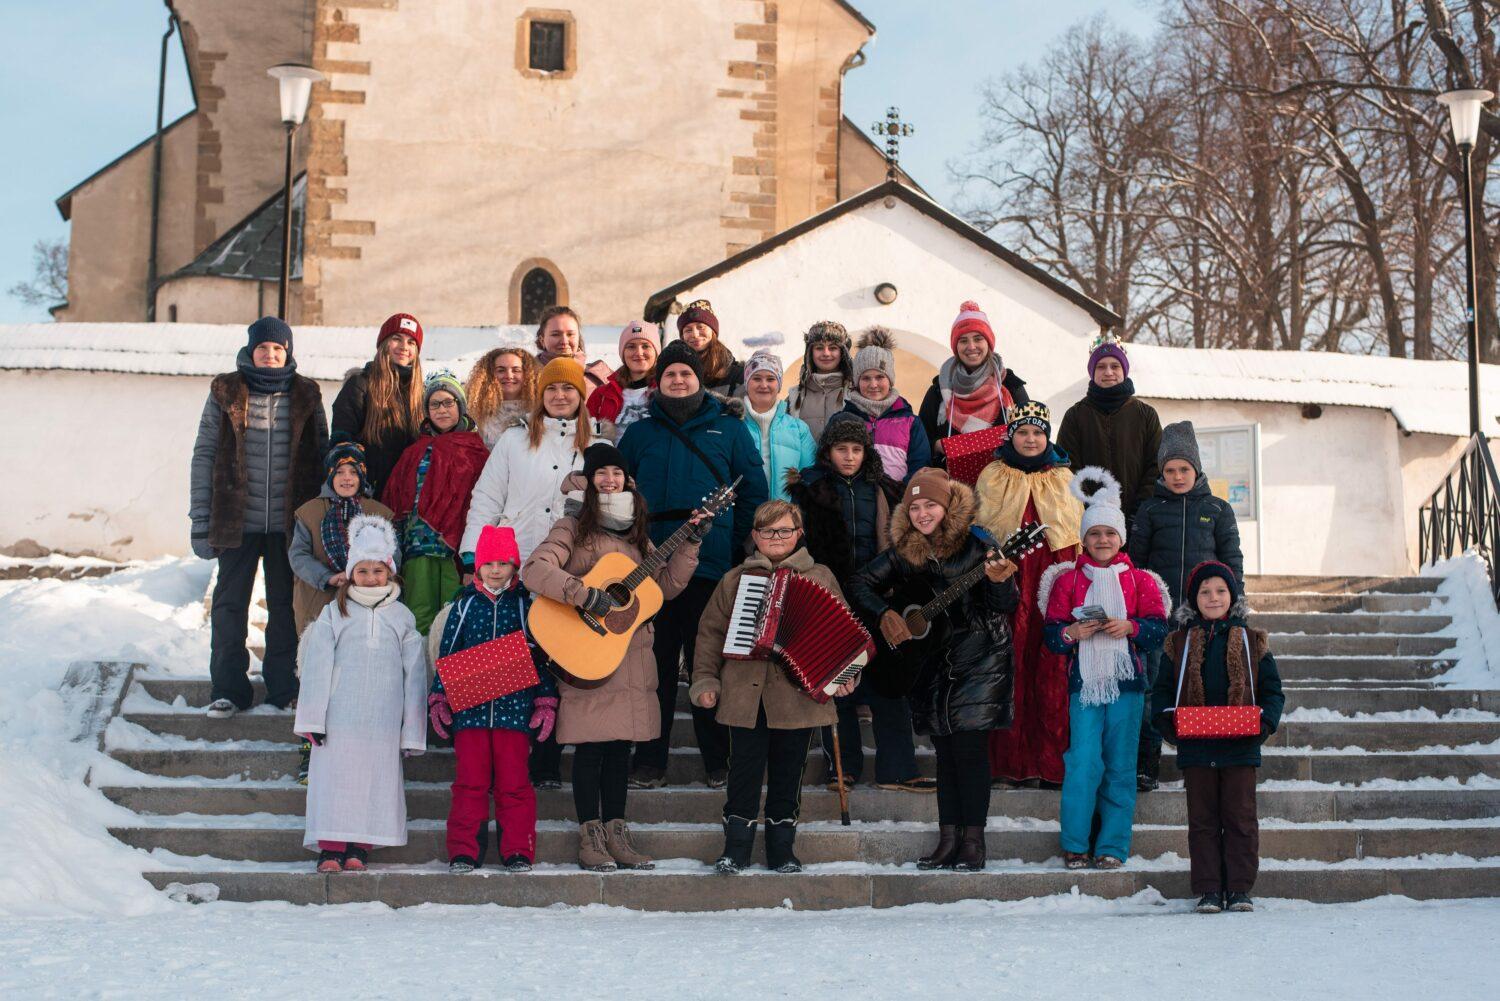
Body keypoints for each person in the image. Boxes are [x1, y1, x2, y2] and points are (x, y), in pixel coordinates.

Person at [523, 443, 706, 871]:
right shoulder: (573, 526)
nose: (610, 480)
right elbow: (535, 569)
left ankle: (617, 834)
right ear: (588, 480)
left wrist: (690, 544)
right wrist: (587, 595)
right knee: (590, 750)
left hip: (629, 654)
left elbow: (663, 588)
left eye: (617, 474)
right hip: (587, 652)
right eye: (601, 473)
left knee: (619, 751)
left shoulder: (637, 533)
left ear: (627, 481)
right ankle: (591, 836)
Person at [618, 339, 770, 789]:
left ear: (699, 380)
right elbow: (620, 494)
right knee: (654, 666)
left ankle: (717, 759)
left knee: (708, 663)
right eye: (670, 375)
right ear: (658, 382)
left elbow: (754, 493)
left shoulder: (729, 428)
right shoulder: (640, 433)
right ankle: (650, 758)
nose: (679, 380)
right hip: (649, 568)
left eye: (686, 374)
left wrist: (736, 548)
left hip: (709, 566)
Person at [848, 469, 1018, 871]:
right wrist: (886, 612)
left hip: (979, 658)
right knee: (944, 753)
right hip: (931, 662)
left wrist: (997, 581)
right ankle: (947, 839)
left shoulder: (978, 543)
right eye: (916, 506)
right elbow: (859, 583)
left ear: (948, 506)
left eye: (931, 505)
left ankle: (973, 841)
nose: (923, 513)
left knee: (969, 751)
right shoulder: (905, 549)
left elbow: (1003, 604)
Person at [463, 356, 612, 787]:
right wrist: (474, 555)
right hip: (513, 561)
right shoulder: (515, 441)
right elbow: (487, 499)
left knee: (555, 662)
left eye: (568, 390)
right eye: (551, 390)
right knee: (506, 656)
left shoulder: (595, 444)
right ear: (540, 395)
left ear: (580, 397)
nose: (560, 396)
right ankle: (496, 753)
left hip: (571, 570)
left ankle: (545, 760)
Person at [691, 500, 858, 874]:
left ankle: (782, 848)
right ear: (755, 537)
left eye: (784, 530)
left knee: (789, 771)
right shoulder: (735, 579)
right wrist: (705, 679)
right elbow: (709, 634)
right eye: (767, 531)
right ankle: (736, 848)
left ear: (799, 534)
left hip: (797, 698)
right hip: (744, 693)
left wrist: (844, 676)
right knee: (744, 770)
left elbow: (842, 634)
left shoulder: (820, 576)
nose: (776, 538)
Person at [785, 413, 931, 795]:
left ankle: (897, 767)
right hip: (830, 596)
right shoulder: (810, 490)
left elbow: (902, 542)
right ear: (827, 451)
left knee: (889, 681)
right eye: (840, 449)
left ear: (866, 452)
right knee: (837, 681)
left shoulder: (886, 489)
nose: (849, 457)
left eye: (855, 449)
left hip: (879, 595)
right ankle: (842, 765)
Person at [190, 316, 327, 719]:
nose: (270, 354)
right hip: (236, 522)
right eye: (264, 348)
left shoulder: (307, 395)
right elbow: (204, 455)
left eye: (278, 348)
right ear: (251, 351)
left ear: (288, 352)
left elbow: (323, 457)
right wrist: (201, 518)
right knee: (230, 606)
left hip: (289, 524)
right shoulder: (225, 391)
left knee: (285, 607)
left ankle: (284, 687)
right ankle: (229, 689)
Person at [1040, 467, 1170, 870]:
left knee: (1120, 763)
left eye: (1110, 533)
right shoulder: (1067, 580)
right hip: (1085, 684)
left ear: (1121, 538)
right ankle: (1076, 843)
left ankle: (1112, 845)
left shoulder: (1140, 581)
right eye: (1094, 533)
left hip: (1128, 684)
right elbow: (1051, 636)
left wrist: (1130, 627)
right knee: (1082, 761)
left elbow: (1157, 628)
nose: (1102, 540)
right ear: (1084, 537)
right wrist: (1073, 632)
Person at [293, 514, 426, 873]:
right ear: (351, 573)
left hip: (382, 718)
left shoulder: (401, 617)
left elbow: (414, 676)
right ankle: (331, 846)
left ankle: (360, 845)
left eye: (377, 571)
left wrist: (411, 731)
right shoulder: (334, 613)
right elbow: (317, 666)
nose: (370, 578)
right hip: (340, 715)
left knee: (373, 779)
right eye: (363, 571)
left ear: (390, 573)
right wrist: (311, 719)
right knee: (336, 778)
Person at [427, 525, 558, 874]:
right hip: (470, 713)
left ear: (515, 566)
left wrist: (545, 699)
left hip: (514, 712)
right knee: (470, 783)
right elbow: (448, 652)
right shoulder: (464, 606)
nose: (496, 570)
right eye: (489, 563)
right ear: (478, 566)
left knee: (514, 784)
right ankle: (464, 851)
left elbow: (541, 657)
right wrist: (439, 695)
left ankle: (517, 850)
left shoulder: (526, 608)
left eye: (503, 563)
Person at [1153, 561, 1283, 914]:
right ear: (1194, 600)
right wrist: (1168, 726)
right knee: (1203, 821)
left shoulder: (1252, 641)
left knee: (1240, 818)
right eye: (1205, 592)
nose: (1213, 598)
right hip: (1197, 747)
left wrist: (1265, 724)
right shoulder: (1177, 643)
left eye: (1221, 591)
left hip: (1240, 746)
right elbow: (1162, 691)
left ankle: (1239, 888)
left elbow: (1273, 690)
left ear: (1233, 596)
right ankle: (1209, 888)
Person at [1129, 420, 1244, 791]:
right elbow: (1136, 563)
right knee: (1152, 689)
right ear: (1161, 472)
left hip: (1203, 614)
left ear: (1196, 469)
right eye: (1170, 470)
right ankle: (1147, 762)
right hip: (1158, 617)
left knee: (1202, 685)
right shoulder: (1149, 510)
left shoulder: (1217, 508)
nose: (1178, 477)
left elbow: (1231, 560)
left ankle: (1199, 759)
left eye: (1184, 469)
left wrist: (1234, 607)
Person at [974, 402, 1082, 789]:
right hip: (1010, 585)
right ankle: (1007, 763)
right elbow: (983, 527)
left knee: (1052, 671)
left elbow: (1075, 535)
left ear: (1047, 436)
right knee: (1010, 666)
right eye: (1023, 432)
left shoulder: (1065, 477)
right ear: (1012, 436)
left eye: (1038, 432)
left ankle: (1050, 764)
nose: (1031, 439)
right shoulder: (993, 474)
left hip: (1054, 585)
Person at [380, 372, 490, 635]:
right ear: (427, 411)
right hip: (419, 548)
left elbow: (486, 501)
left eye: (448, 402)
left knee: (456, 616)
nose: (442, 410)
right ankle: (423, 676)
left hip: (458, 551)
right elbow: (395, 500)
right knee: (419, 618)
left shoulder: (477, 451)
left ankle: (451, 676)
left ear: (460, 406)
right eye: (434, 404)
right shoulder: (413, 452)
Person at [289, 440, 397, 638]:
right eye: (339, 472)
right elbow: (298, 556)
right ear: (330, 475)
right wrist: (327, 577)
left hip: (368, 598)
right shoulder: (309, 512)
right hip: (318, 599)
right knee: (318, 655)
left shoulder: (379, 514)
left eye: (353, 472)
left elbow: (393, 556)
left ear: (362, 475)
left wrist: (367, 576)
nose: (346, 478)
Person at [1055, 333, 1162, 521]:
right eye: (1101, 366)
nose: (1108, 372)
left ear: (1124, 370)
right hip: (1089, 522)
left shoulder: (1146, 415)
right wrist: (1091, 508)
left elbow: (1156, 466)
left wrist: (1140, 511)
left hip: (1139, 521)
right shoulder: (1075, 416)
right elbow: (1067, 470)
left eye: (1115, 366)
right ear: (1092, 372)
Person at [919, 301, 1029, 469]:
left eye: (978, 339)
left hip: (1005, 485)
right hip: (953, 488)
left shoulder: (1010, 386)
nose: (971, 347)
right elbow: (922, 439)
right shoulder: (939, 390)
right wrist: (938, 445)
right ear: (956, 346)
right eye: (963, 340)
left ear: (989, 343)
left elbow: (1032, 432)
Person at [331, 312, 424, 496]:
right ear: (383, 344)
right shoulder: (360, 384)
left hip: (405, 498)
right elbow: (342, 443)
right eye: (397, 339)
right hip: (367, 496)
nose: (404, 347)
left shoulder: (420, 393)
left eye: (411, 342)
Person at [838, 327, 930, 485]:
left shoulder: (910, 422)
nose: (873, 384)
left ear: (890, 380)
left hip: (898, 502)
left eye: (880, 377)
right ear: (857, 382)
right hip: (856, 503)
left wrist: (900, 491)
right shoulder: (843, 420)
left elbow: (920, 466)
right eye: (866, 378)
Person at [741, 349, 816, 503]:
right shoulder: (733, 426)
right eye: (756, 378)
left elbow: (811, 478)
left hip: (787, 522)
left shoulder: (799, 429)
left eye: (770, 379)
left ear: (779, 384)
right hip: (743, 521)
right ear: (747, 383)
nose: (764, 385)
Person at [785, 319, 853, 441]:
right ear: (810, 352)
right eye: (819, 348)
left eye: (833, 348)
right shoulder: (795, 397)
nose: (826, 353)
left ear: (843, 353)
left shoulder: (853, 393)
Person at [588, 320, 659, 433]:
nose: (639, 352)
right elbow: (588, 431)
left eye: (645, 346)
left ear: (656, 352)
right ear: (623, 353)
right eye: (631, 347)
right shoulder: (601, 395)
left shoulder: (666, 391)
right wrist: (600, 432)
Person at [465, 345, 538, 449]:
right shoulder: (476, 413)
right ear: (489, 375)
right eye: (501, 370)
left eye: (516, 370)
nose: (508, 375)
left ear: (528, 374)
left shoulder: (539, 410)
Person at [675, 299, 743, 397]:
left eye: (700, 327)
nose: (695, 334)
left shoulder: (736, 375)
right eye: (688, 330)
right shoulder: (676, 373)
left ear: (713, 331)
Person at [533, 304, 589, 369]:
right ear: (542, 340)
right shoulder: (527, 376)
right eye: (555, 334)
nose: (564, 341)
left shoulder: (596, 376)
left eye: (570, 334)